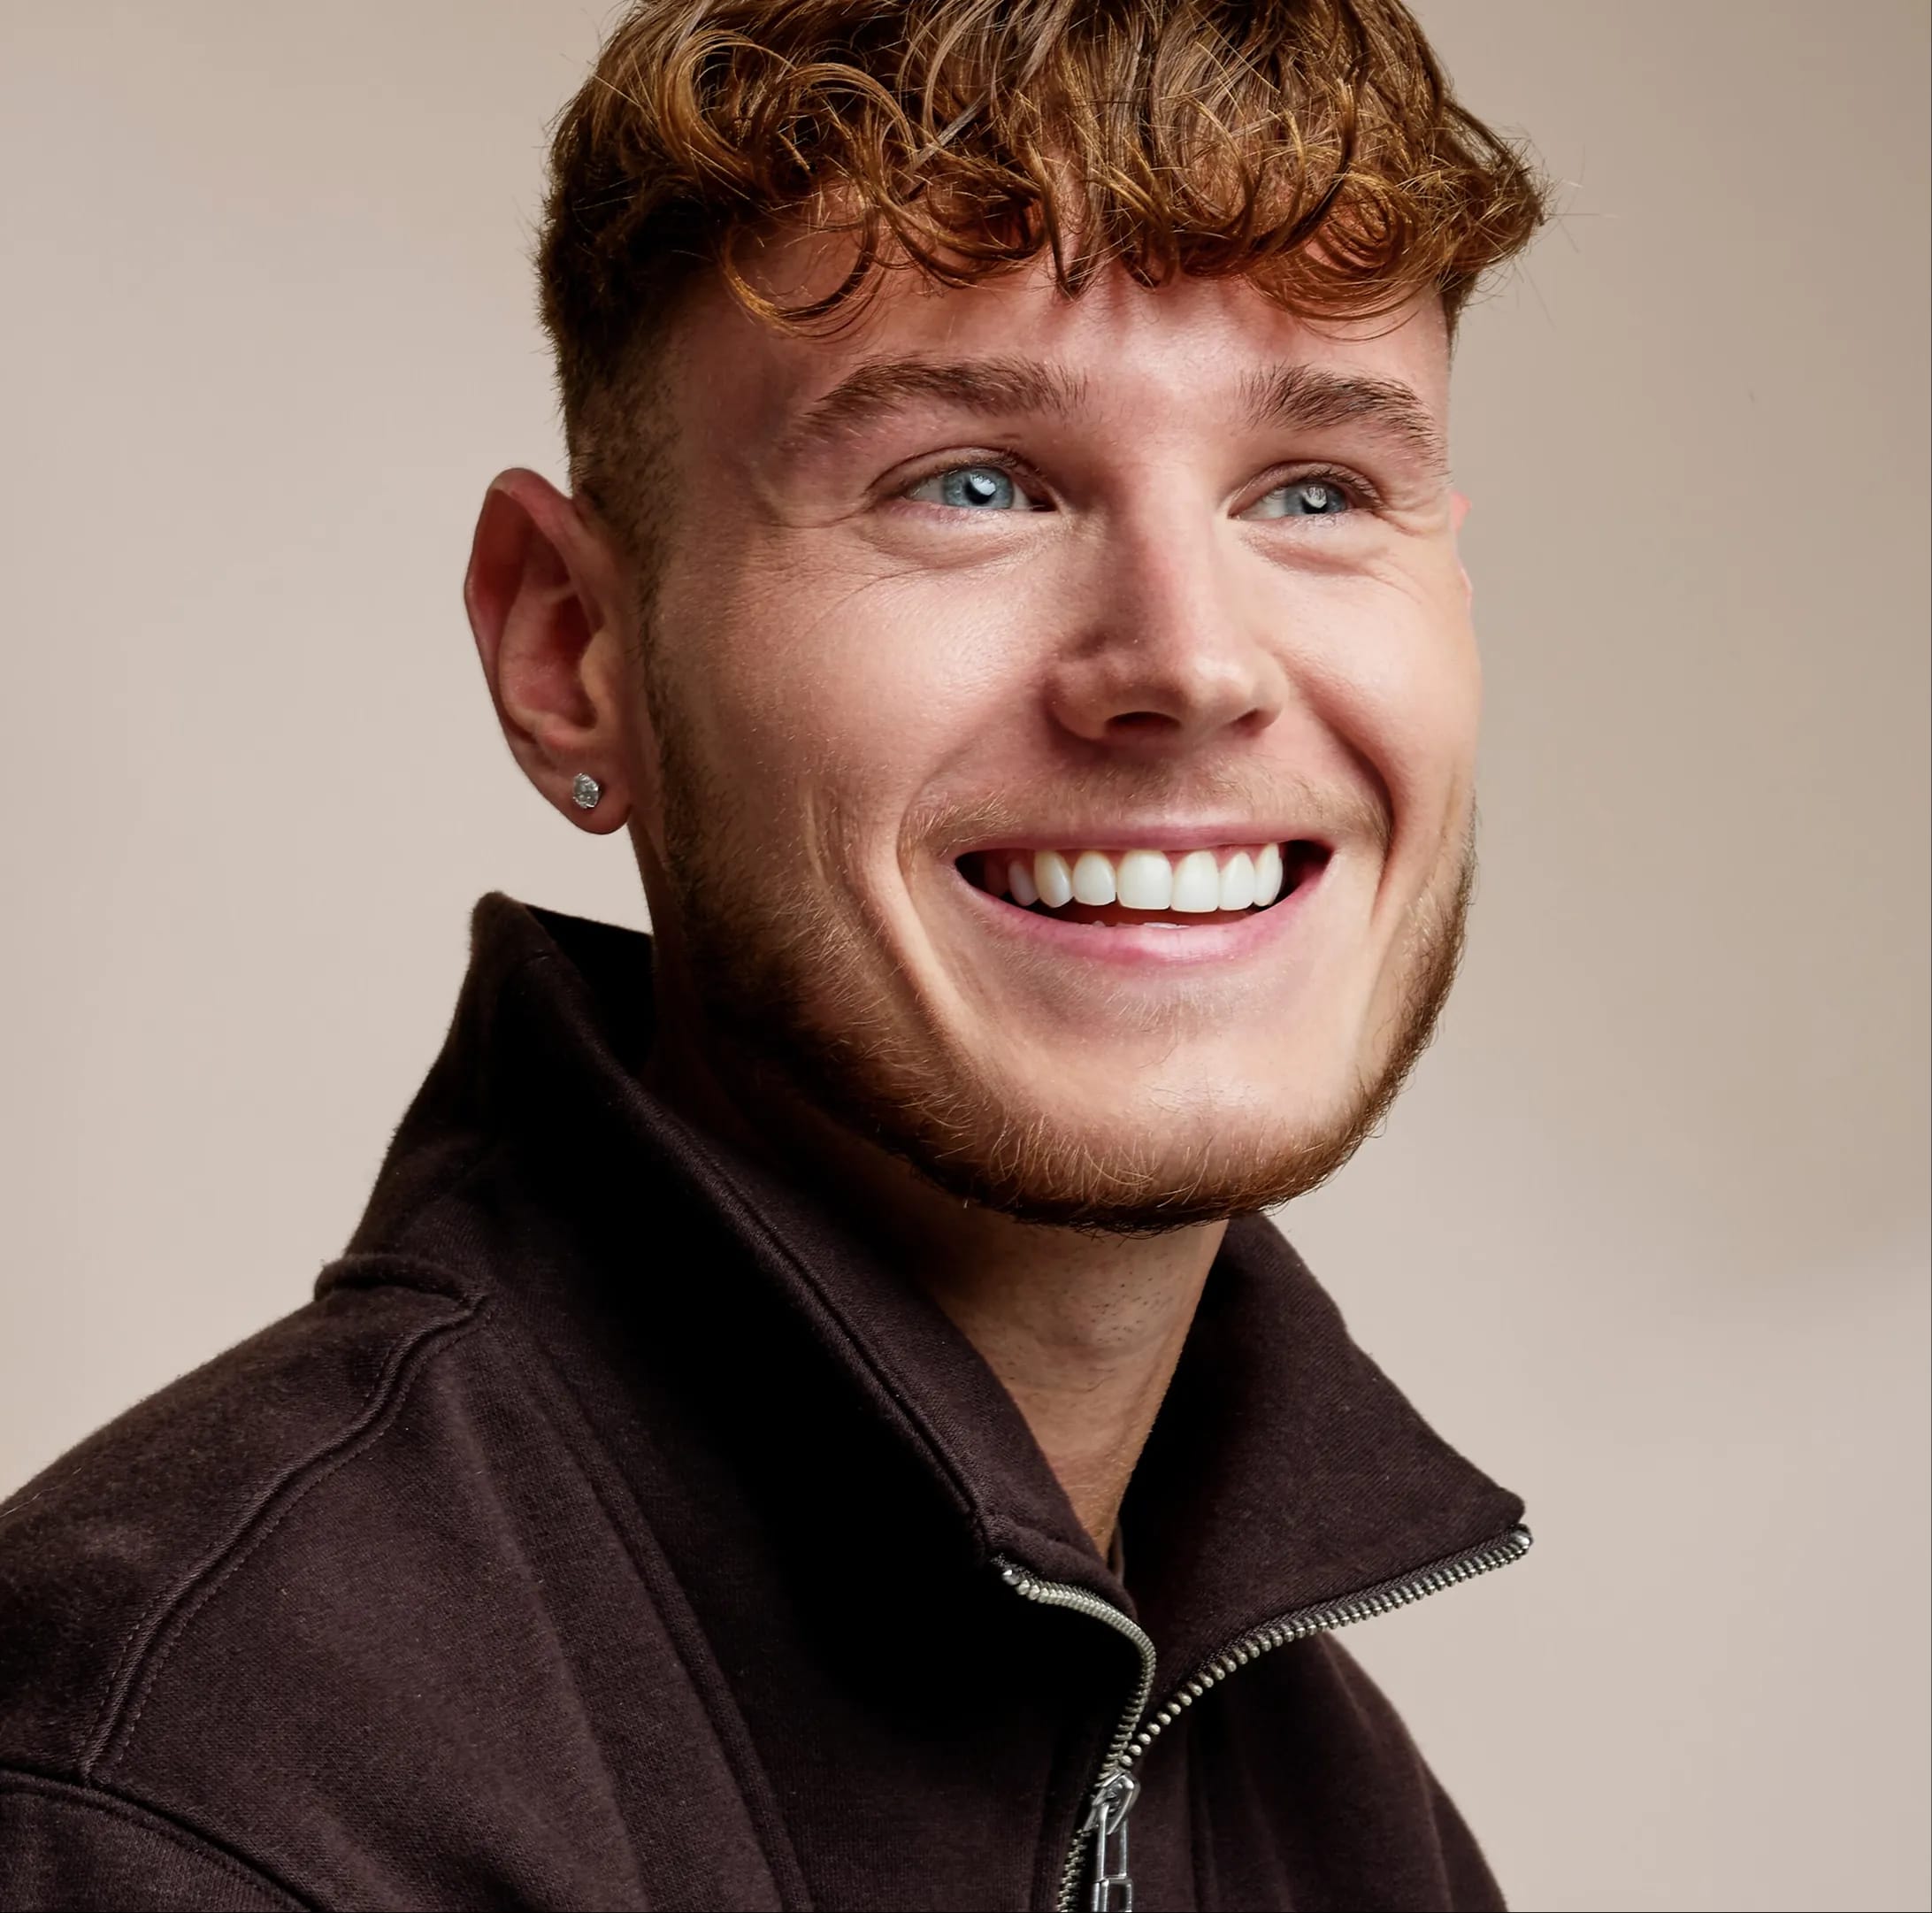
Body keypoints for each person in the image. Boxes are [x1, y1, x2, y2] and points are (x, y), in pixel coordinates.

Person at [0, 2, 1549, 1906]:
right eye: (972, 482)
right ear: (571, 645)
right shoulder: (191, 1787)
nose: (1194, 664)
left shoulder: (1331, 1807)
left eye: (1314, 492)